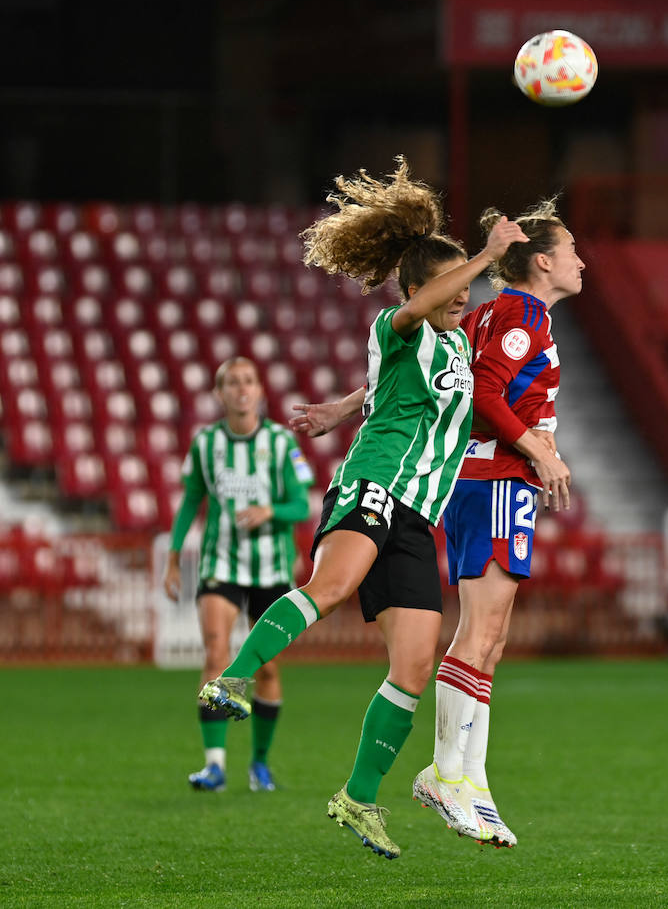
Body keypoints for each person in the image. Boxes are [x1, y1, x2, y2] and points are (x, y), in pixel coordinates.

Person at [197, 157, 528, 860]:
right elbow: (402, 335)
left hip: (420, 514)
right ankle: (231, 677)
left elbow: (387, 389)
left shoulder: (454, 347)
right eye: (452, 286)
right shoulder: (398, 322)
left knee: (414, 666)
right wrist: (488, 254)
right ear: (417, 287)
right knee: (333, 585)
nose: (463, 298)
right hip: (375, 483)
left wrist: (337, 409)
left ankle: (357, 796)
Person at [290, 198, 579, 850]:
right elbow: (482, 393)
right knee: (481, 634)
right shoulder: (520, 316)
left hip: (491, 479)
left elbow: (441, 372)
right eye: (571, 249)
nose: (581, 260)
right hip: (496, 476)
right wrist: (540, 450)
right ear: (541, 262)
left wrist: (345, 404)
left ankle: (467, 778)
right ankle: (450, 774)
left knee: (490, 637)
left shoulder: (483, 316)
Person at [162, 356, 312, 794]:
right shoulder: (205, 443)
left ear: (260, 390)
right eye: (231, 382)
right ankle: (214, 766)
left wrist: (271, 510)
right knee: (214, 654)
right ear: (219, 393)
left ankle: (260, 764)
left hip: (271, 567)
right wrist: (173, 556)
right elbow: (190, 501)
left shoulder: (282, 444)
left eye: (248, 381)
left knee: (266, 668)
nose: (241, 389)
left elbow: (302, 506)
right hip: (220, 563)